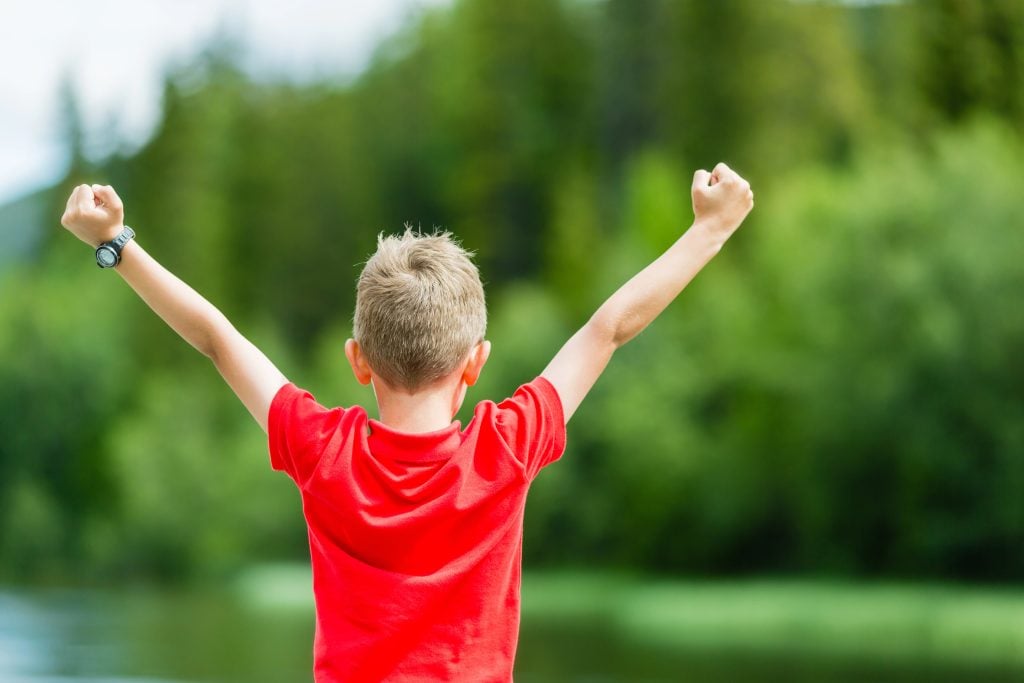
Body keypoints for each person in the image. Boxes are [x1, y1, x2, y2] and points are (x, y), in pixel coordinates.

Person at [60, 162, 753, 682]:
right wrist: (709, 229)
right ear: (476, 363)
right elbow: (608, 330)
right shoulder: (506, 447)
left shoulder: (320, 449)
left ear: (357, 361)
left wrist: (115, 242)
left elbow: (216, 337)